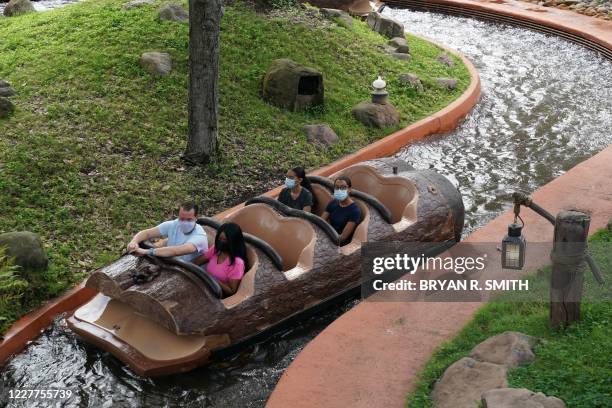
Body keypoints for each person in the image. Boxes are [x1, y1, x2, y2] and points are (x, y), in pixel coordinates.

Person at [127, 202, 207, 263]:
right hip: (172, 264)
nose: (184, 222)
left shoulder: (200, 236)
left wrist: (147, 251)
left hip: (192, 272)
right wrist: (134, 242)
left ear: (196, 218)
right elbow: (147, 233)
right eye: (182, 219)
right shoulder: (174, 224)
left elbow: (176, 251)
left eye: (189, 219)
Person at [193, 222, 247, 297]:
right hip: (205, 287)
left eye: (224, 240)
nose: (220, 242)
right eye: (219, 239)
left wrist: (213, 280)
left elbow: (231, 291)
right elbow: (196, 262)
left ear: (232, 242)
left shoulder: (237, 263)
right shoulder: (216, 249)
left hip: (217, 296)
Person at [321, 176, 362, 244]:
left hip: (339, 243)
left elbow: (342, 238)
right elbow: (321, 221)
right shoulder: (333, 203)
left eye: (343, 187)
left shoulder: (354, 211)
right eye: (337, 187)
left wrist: (326, 241)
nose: (339, 190)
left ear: (349, 189)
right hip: (328, 237)